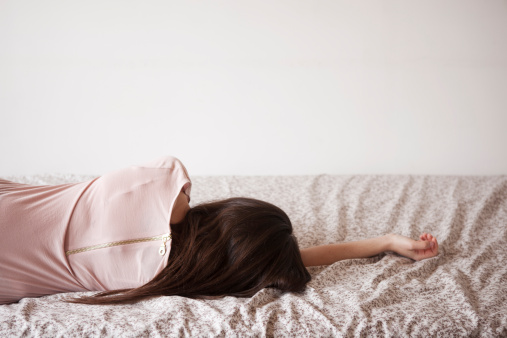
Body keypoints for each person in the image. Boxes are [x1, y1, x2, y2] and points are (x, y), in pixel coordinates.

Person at [0, 156, 438, 305]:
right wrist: (384, 243)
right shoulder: (165, 276)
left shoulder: (161, 185)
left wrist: (185, 203)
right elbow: (290, 260)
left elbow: (173, 179)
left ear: (228, 212)